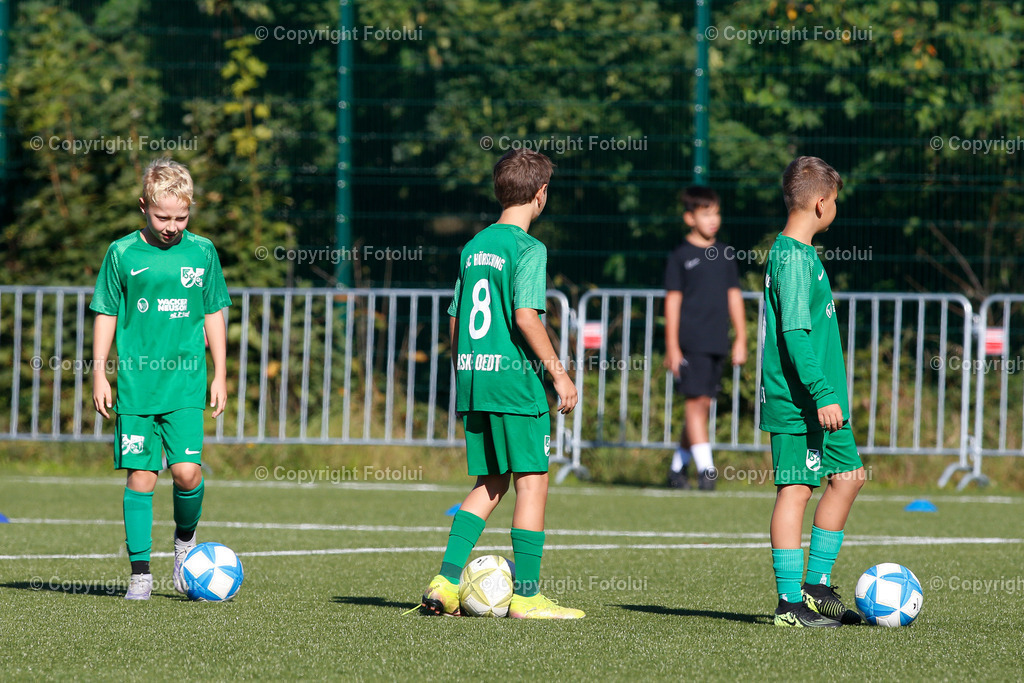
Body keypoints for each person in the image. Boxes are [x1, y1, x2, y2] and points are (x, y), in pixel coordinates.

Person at [419, 148, 583, 619]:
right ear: (541, 194)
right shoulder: (528, 248)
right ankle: (527, 597)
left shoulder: (474, 245)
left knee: (490, 482)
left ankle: (446, 583)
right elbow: (525, 316)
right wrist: (558, 372)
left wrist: (464, 370)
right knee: (532, 482)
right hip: (514, 384)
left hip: (476, 379)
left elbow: (454, 318)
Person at [91, 158, 231, 600]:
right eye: (162, 216)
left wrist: (221, 372)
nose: (171, 226)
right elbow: (106, 312)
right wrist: (100, 372)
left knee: (187, 473)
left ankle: (185, 546)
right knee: (141, 478)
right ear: (143, 207)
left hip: (186, 383)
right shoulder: (122, 253)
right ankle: (140, 575)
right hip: (135, 387)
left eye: (181, 217)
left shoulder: (202, 251)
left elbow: (213, 313)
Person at [760, 156, 866, 627]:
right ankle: (788, 605)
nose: (836, 209)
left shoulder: (801, 255)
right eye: (836, 201)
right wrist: (823, 393)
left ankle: (817, 586)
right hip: (800, 400)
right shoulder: (792, 258)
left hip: (823, 402)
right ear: (822, 204)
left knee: (849, 477)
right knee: (796, 490)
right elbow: (796, 336)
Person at [663, 186, 747, 490]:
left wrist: (741, 337)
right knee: (695, 403)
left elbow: (734, 296)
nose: (713, 220)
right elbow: (672, 301)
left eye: (716, 213)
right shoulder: (680, 256)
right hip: (690, 341)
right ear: (689, 218)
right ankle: (707, 471)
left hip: (716, 341)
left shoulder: (725, 253)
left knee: (702, 406)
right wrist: (672, 345)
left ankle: (677, 470)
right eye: (706, 213)